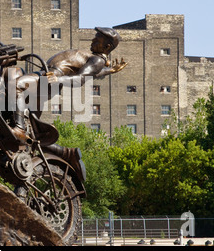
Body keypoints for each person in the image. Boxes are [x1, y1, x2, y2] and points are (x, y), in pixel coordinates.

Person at [10, 27, 127, 175]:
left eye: (97, 40)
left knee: (16, 85)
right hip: (44, 75)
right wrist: (110, 70)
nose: (92, 40)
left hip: (48, 80)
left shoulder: (98, 60)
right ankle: (67, 153)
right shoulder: (95, 59)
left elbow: (81, 78)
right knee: (13, 74)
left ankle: (19, 128)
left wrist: (58, 79)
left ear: (107, 47)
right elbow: (90, 72)